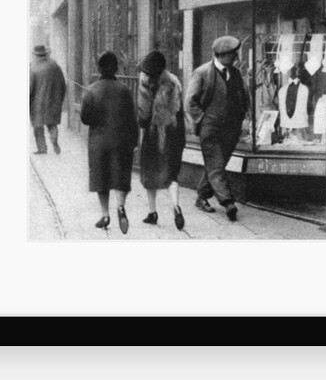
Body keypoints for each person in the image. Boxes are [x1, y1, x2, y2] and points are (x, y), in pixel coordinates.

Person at [186, 35, 249, 221]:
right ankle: (228, 202)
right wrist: (203, 119)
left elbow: (242, 98)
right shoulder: (203, 72)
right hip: (210, 128)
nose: (236, 57)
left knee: (217, 165)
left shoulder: (235, 73)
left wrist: (242, 118)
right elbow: (190, 101)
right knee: (215, 165)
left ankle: (202, 196)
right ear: (222, 55)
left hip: (231, 129)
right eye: (233, 54)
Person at [80, 51, 138, 234]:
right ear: (116, 68)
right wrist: (135, 141)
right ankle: (120, 206)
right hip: (121, 140)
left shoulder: (91, 90)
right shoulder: (124, 90)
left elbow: (85, 119)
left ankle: (105, 215)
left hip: (99, 141)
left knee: (101, 178)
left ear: (99, 68)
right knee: (121, 176)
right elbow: (132, 118)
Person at [136, 50, 186, 231]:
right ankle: (176, 206)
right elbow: (180, 110)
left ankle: (152, 212)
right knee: (172, 173)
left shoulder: (145, 84)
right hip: (174, 133)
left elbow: (143, 114)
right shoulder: (174, 81)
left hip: (153, 135)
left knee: (150, 173)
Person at [29, 45, 67, 155]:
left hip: (37, 104)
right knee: (52, 124)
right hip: (53, 102)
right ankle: (54, 141)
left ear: (35, 55)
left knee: (38, 127)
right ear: (45, 54)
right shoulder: (55, 66)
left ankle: (42, 148)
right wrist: (60, 99)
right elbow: (62, 85)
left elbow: (29, 89)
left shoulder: (33, 69)